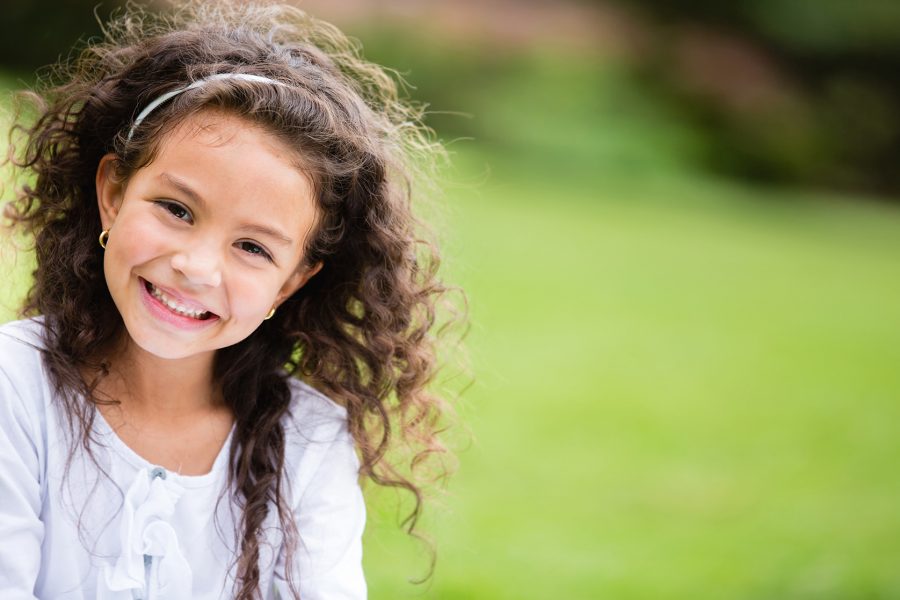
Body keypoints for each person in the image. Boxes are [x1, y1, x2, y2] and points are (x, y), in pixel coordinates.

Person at [0, 1, 458, 598]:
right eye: (176, 210)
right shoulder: (15, 388)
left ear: (292, 281)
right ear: (113, 193)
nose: (195, 266)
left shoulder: (309, 439)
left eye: (252, 247)